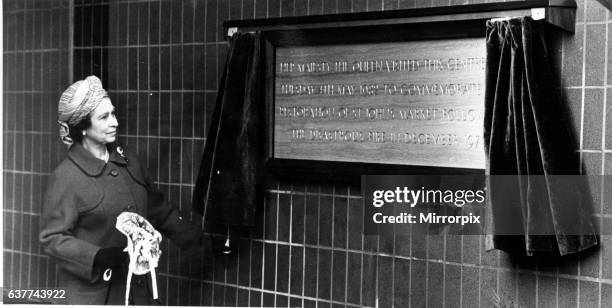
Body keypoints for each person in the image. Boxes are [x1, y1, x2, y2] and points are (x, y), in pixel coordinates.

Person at [40, 76, 202, 305]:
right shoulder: (66, 176)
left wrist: (198, 238)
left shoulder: (130, 163)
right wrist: (98, 257)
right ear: (83, 127)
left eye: (113, 113)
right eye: (104, 117)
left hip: (137, 294)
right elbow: (52, 238)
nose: (114, 122)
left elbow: (157, 209)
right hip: (94, 297)